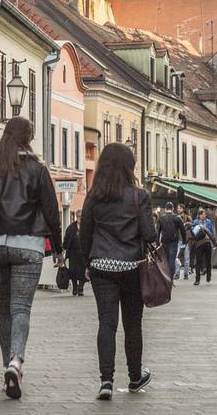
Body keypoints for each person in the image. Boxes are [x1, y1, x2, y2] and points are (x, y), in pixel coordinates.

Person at [0, 117, 63, 400]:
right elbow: (51, 211)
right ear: (29, 138)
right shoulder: (37, 170)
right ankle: (16, 362)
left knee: (4, 310)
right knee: (21, 308)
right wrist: (58, 248)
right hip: (29, 245)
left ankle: (6, 368)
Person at [80, 143, 157, 400]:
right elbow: (150, 234)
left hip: (102, 266)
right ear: (129, 167)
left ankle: (106, 381)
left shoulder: (94, 196)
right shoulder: (139, 196)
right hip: (133, 268)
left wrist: (87, 264)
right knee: (133, 325)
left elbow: (85, 233)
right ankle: (135, 378)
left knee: (107, 323)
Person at [156, 201, 187, 281]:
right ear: (173, 209)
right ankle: (170, 279)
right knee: (172, 260)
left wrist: (157, 244)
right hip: (174, 242)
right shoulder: (177, 218)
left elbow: (157, 232)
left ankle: (165, 278)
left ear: (165, 209)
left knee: (165, 260)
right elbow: (183, 231)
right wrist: (184, 242)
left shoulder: (161, 218)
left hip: (164, 242)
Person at [63, 214, 87, 296]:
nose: (81, 218)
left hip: (84, 253)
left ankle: (81, 288)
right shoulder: (71, 227)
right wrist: (64, 247)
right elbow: (66, 238)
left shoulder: (86, 226)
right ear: (77, 217)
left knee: (83, 271)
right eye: (79, 216)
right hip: (73, 253)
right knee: (73, 271)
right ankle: (74, 287)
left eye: (82, 216)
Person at [190, 208, 216, 285]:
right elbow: (193, 232)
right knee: (198, 261)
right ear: (199, 215)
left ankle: (209, 276)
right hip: (199, 243)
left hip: (207, 242)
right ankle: (197, 279)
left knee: (208, 260)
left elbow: (211, 232)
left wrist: (213, 240)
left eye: (205, 214)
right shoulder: (195, 222)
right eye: (202, 214)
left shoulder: (208, 222)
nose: (204, 215)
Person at [175, 205, 192, 280]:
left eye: (180, 208)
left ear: (183, 209)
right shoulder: (175, 217)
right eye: (178, 208)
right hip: (178, 240)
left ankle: (186, 274)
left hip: (186, 240)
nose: (178, 209)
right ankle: (177, 274)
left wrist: (187, 224)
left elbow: (192, 224)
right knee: (177, 257)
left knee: (186, 258)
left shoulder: (187, 217)